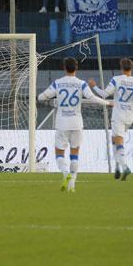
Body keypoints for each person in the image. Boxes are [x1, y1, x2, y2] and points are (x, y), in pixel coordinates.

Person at [37, 57, 110, 192]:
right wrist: (108, 103)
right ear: (76, 68)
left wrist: (47, 97)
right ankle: (73, 183)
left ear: (64, 68)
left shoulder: (58, 83)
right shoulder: (81, 84)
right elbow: (92, 98)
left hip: (62, 124)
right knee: (74, 154)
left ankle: (66, 173)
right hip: (77, 123)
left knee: (59, 153)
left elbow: (42, 97)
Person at [88, 58, 133, 180]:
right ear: (132, 68)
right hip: (129, 116)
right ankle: (117, 167)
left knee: (118, 142)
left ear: (121, 67)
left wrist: (94, 87)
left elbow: (104, 94)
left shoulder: (116, 79)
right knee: (114, 140)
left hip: (118, 115)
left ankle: (125, 167)